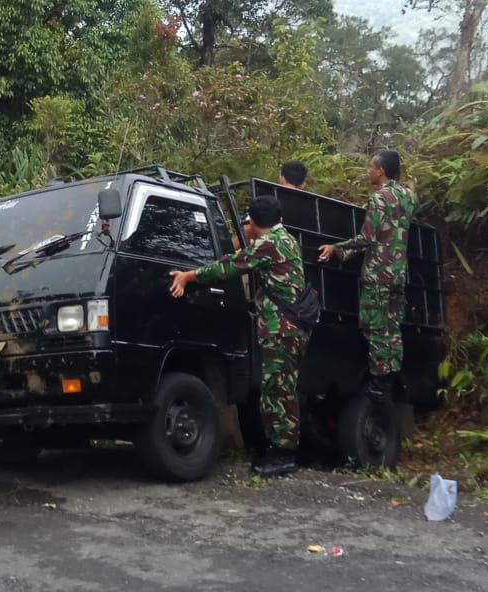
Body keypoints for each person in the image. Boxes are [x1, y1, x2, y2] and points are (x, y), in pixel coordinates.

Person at [168, 196, 310, 478]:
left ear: (254, 223)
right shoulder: (285, 239)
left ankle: (284, 454)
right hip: (288, 327)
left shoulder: (268, 245)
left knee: (278, 391)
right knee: (277, 389)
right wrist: (249, 233)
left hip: (281, 328)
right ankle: (277, 448)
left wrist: (188, 276)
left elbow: (227, 266)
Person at [317, 149, 418, 401]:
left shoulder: (378, 198)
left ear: (381, 170)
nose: (368, 172)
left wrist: (335, 249)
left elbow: (366, 239)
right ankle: (392, 376)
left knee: (374, 327)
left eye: (371, 167)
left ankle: (379, 381)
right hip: (399, 273)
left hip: (378, 273)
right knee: (393, 327)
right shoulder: (409, 196)